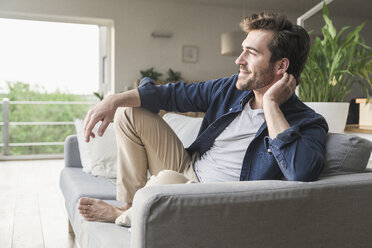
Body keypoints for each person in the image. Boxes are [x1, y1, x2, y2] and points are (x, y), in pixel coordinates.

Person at [77, 11, 328, 224]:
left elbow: (301, 172)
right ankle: (129, 206)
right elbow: (172, 94)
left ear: (281, 67)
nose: (239, 60)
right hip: (188, 167)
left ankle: (131, 213)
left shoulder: (307, 121)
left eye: (251, 53)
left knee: (164, 181)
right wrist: (112, 100)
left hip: (214, 196)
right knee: (128, 112)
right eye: (242, 51)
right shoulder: (230, 88)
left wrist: (272, 104)